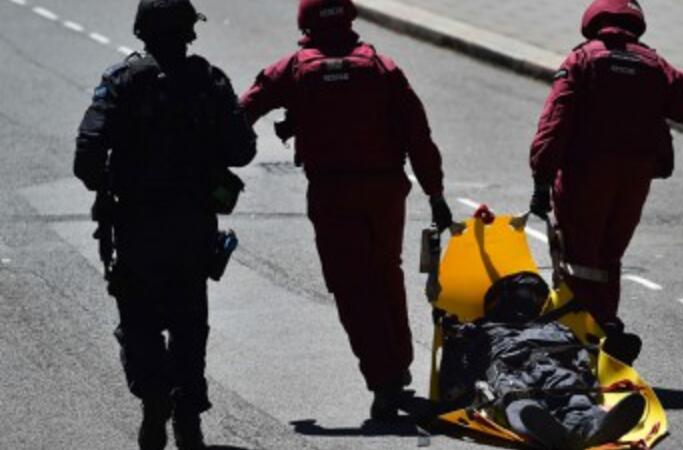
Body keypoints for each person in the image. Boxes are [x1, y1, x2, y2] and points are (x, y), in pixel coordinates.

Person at [239, 0, 452, 420]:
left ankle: (383, 380)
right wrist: (436, 193)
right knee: (386, 273)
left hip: (332, 192)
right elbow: (418, 134)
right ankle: (398, 364)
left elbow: (243, 109)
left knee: (352, 286)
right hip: (385, 191)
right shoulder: (382, 68)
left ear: (305, 23)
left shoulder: (293, 69)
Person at [528, 0, 683, 330]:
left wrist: (542, 179)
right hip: (635, 179)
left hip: (585, 175)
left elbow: (554, 123)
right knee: (609, 257)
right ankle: (605, 328)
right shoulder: (656, 68)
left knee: (579, 258)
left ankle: (583, 335)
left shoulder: (581, 60)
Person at [74, 1, 257, 448]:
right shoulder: (210, 81)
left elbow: (87, 157)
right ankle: (188, 416)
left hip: (136, 225)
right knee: (189, 323)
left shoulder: (121, 80)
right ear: (189, 31)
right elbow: (242, 150)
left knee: (139, 321)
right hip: (192, 225)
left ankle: (154, 399)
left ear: (142, 30)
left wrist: (114, 181)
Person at [438, 272, 646, 450]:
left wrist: (612, 347)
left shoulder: (552, 325)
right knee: (520, 395)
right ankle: (561, 427)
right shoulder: (480, 328)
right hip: (513, 367)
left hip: (551, 365)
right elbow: (458, 361)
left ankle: (587, 427)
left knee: (568, 389)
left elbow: (580, 353)